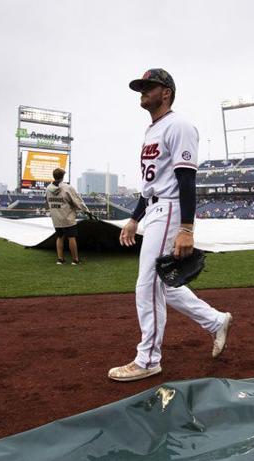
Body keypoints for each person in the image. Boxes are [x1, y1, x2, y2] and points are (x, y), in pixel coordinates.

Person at [110, 68, 233, 382]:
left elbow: (186, 179)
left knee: (146, 285)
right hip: (154, 209)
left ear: (166, 92)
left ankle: (148, 358)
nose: (142, 91)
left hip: (170, 210)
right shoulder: (152, 130)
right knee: (164, 285)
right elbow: (149, 185)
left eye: (148, 86)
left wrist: (186, 228)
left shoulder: (179, 125)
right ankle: (216, 321)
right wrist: (134, 218)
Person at [45, 167, 92, 265]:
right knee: (71, 237)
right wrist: (86, 211)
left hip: (56, 218)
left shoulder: (48, 189)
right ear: (62, 177)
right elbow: (77, 201)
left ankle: (60, 259)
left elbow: (47, 201)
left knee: (60, 237)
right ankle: (75, 260)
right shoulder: (67, 187)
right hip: (68, 217)